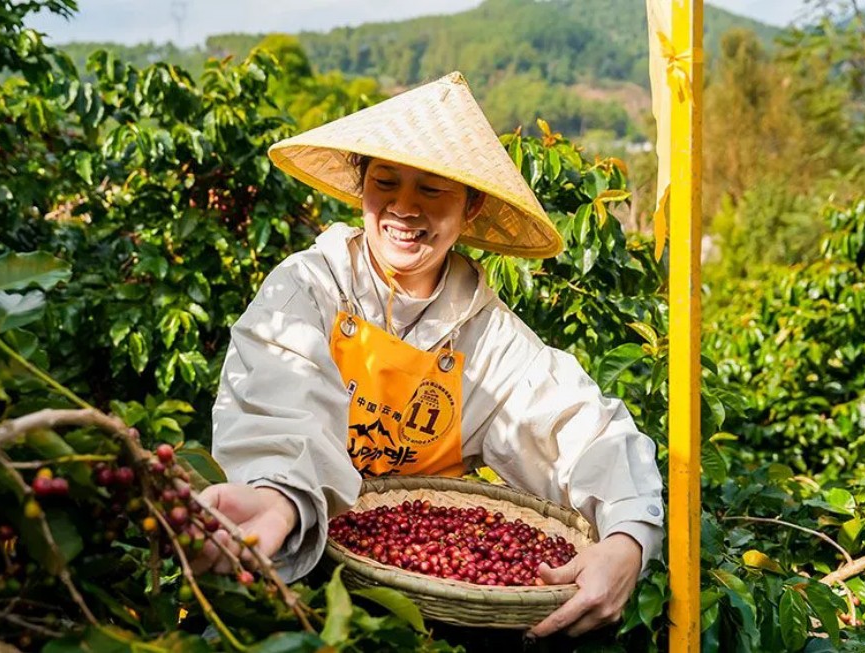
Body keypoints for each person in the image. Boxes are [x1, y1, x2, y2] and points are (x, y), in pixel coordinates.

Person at [194, 71, 664, 638]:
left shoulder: (486, 337)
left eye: (433, 190)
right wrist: (280, 499)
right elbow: (282, 403)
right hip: (289, 578)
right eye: (385, 182)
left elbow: (581, 429)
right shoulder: (308, 290)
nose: (403, 208)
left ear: (471, 207)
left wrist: (627, 538)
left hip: (429, 616)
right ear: (361, 186)